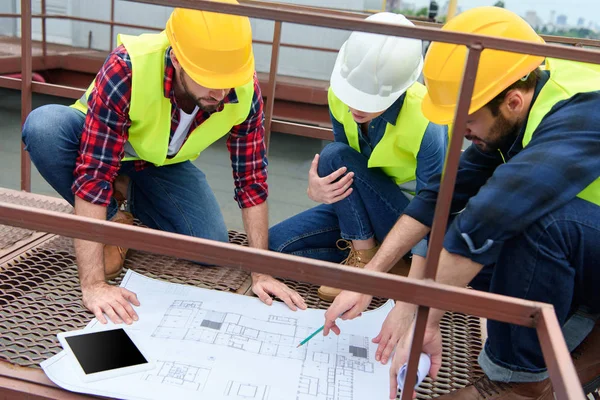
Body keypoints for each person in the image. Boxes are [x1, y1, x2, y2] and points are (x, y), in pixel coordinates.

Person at [322, 6, 600, 399]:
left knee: (536, 225)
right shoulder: (513, 103)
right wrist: (371, 280)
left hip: (583, 244)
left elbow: (487, 219)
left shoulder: (584, 111)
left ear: (513, 102)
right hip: (588, 249)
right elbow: (440, 194)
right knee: (475, 256)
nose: (461, 132)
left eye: (466, 120)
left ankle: (518, 386)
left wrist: (420, 319)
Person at [21, 3, 306, 326]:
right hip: (92, 146)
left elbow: (252, 179)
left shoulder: (241, 87)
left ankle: (127, 192)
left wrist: (261, 270)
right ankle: (114, 218)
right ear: (176, 58)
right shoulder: (129, 67)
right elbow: (92, 175)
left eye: (227, 79)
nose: (221, 91)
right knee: (44, 127)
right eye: (208, 78)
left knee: (211, 248)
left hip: (158, 165)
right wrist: (94, 285)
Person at [268, 12, 448, 302]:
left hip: (407, 220)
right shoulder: (339, 95)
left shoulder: (428, 120)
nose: (356, 106)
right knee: (272, 247)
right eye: (354, 94)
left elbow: (432, 208)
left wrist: (414, 290)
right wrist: (318, 190)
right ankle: (377, 257)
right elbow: (347, 174)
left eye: (369, 100)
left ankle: (369, 261)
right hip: (363, 211)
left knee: (335, 154)